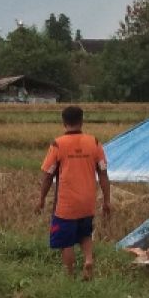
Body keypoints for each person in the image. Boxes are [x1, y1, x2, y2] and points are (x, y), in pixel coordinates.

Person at [35, 105, 112, 280]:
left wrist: (41, 199)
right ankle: (88, 259)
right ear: (82, 121)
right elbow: (103, 173)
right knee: (85, 233)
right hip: (88, 202)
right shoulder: (94, 142)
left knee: (65, 241)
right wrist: (107, 200)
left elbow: (48, 176)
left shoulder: (58, 144)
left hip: (66, 204)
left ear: (64, 122)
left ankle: (69, 276)